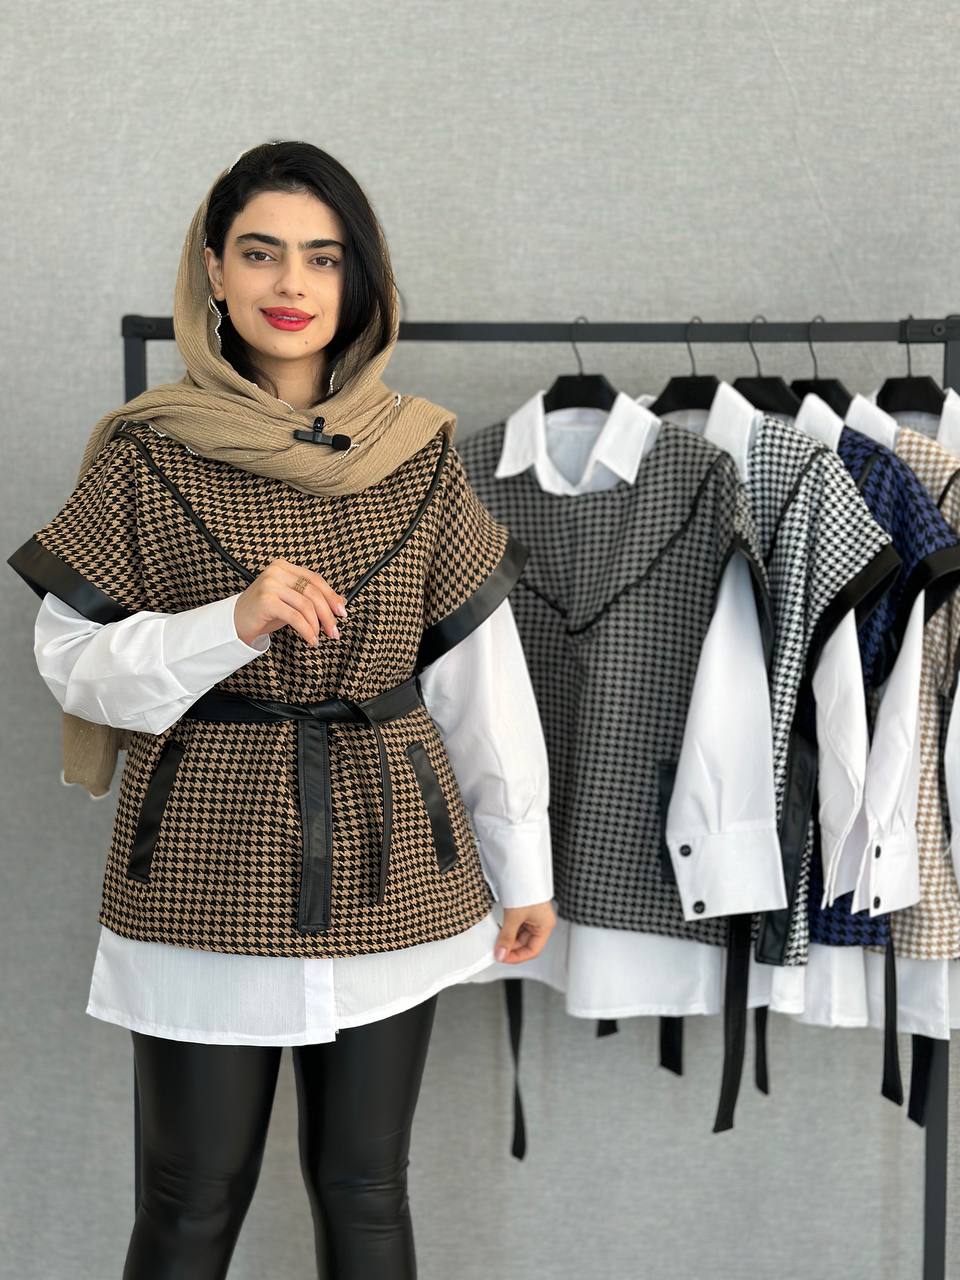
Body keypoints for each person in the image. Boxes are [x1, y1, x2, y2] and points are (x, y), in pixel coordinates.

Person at [8, 139, 555, 1279]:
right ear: (213, 270)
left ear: (360, 280)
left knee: (367, 1190)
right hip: (203, 853)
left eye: (323, 257)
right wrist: (232, 621)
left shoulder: (419, 451)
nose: (291, 285)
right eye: (260, 254)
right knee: (188, 1198)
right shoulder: (146, 452)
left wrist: (524, 867)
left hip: (392, 855)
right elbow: (75, 666)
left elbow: (479, 682)